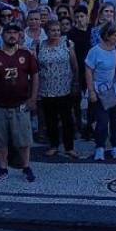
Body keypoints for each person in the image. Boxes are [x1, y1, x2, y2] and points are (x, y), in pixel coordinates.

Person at [0, 21, 39, 183]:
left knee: (24, 139)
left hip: (20, 103)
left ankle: (26, 166)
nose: (12, 35)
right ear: (2, 35)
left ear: (20, 35)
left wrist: (33, 98)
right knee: (0, 140)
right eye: (8, 32)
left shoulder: (27, 54)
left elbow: (35, 75)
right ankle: (2, 168)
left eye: (15, 33)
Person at [84, 22, 116, 161]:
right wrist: (91, 91)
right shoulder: (95, 51)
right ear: (107, 36)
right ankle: (100, 147)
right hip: (102, 91)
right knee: (102, 121)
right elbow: (88, 71)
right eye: (115, 35)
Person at [37, 19, 79, 159]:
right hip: (46, 89)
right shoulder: (39, 45)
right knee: (50, 120)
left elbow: (74, 65)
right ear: (47, 32)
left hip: (64, 89)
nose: (55, 33)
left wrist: (75, 83)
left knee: (67, 120)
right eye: (52, 30)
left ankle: (69, 147)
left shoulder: (67, 44)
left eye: (57, 30)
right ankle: (53, 145)